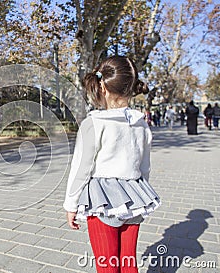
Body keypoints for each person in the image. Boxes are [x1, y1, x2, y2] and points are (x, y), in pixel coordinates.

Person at [63, 56, 161, 273]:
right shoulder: (141, 124)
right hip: (135, 195)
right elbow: (144, 166)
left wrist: (71, 205)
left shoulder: (93, 124)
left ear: (102, 88)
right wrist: (140, 194)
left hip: (102, 200)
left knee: (107, 264)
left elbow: (81, 168)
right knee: (128, 261)